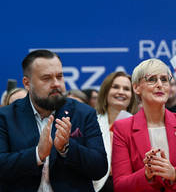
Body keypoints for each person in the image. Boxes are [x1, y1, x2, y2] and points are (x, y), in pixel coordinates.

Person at [0, 49, 108, 191]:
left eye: (60, 76)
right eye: (47, 78)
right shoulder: (6, 116)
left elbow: (99, 168)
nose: (56, 83)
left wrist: (67, 148)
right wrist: (37, 154)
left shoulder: (84, 113)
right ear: (27, 83)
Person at [112, 58, 176, 192]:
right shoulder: (123, 128)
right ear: (136, 87)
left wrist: (174, 174)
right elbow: (120, 186)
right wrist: (146, 175)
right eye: (151, 79)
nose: (159, 85)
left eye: (164, 79)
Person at [93, 71, 138, 192]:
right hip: (97, 187)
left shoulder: (140, 126)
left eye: (127, 89)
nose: (121, 92)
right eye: (115, 87)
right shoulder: (92, 123)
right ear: (106, 91)